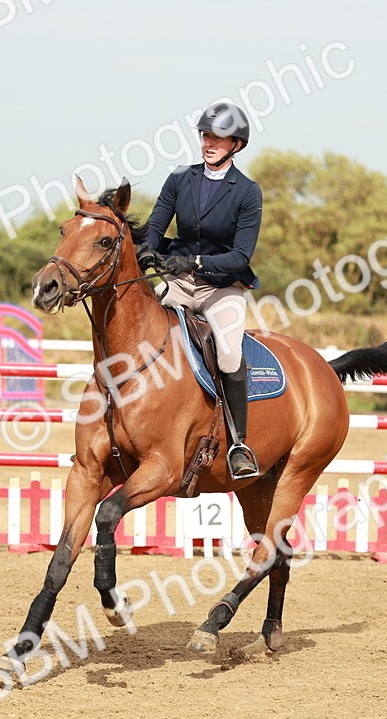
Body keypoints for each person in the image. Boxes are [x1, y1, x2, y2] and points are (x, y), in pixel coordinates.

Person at [138, 101, 263, 479]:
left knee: (227, 354)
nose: (209, 143)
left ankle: (239, 443)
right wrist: (144, 251)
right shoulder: (180, 178)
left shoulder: (247, 192)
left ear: (236, 145)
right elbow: (156, 227)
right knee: (141, 335)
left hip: (220, 287)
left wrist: (196, 264)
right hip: (178, 283)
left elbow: (241, 256)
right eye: (206, 135)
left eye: (218, 138)